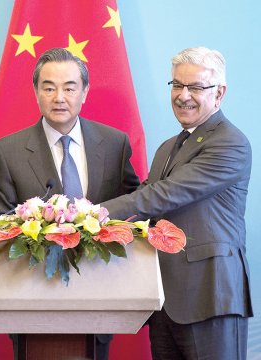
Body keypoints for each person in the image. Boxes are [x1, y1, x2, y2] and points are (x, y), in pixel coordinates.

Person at [101, 47, 252, 359]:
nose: (184, 95)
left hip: (210, 297)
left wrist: (96, 214)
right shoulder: (170, 146)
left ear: (219, 93)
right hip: (166, 302)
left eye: (196, 87)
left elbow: (164, 195)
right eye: (177, 85)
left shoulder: (229, 142)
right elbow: (147, 195)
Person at [0, 47, 139, 360]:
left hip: (99, 299)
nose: (59, 97)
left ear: (84, 92)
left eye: (70, 87)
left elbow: (134, 210)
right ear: (36, 92)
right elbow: (0, 223)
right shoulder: (7, 151)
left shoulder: (114, 144)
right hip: (32, 304)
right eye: (49, 87)